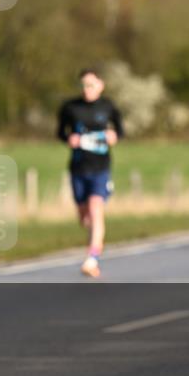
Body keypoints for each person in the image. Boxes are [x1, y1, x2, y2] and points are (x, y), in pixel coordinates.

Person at [57, 67, 123, 278]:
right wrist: (70, 139)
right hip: (78, 168)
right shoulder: (70, 108)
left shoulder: (108, 107)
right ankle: (94, 249)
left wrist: (113, 136)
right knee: (85, 218)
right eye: (84, 85)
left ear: (100, 86)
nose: (87, 89)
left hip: (100, 168)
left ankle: (92, 257)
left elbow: (120, 131)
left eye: (91, 85)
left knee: (96, 209)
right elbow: (60, 132)